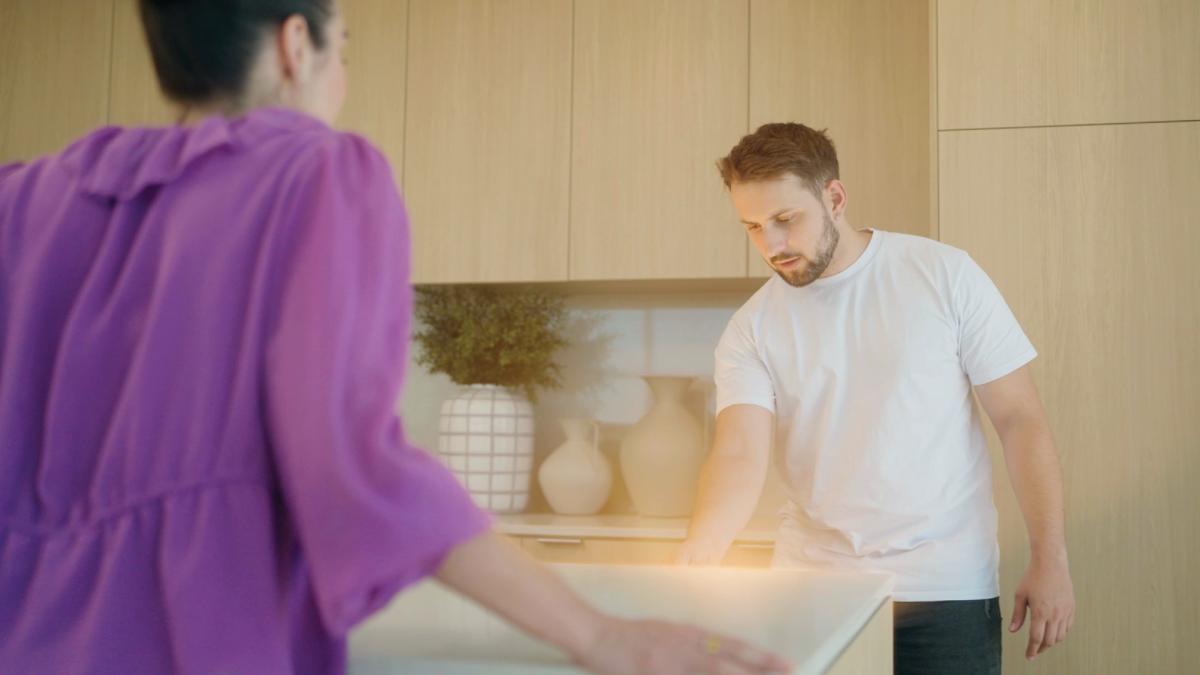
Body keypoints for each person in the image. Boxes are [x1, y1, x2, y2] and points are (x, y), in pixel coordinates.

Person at [0, 2, 792, 674]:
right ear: (294, 45)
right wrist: (601, 632)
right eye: (343, 49)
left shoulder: (25, 199)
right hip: (202, 637)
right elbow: (350, 464)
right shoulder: (314, 174)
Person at [673, 123, 1076, 674]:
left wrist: (1050, 555)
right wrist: (701, 549)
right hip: (809, 593)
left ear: (834, 198)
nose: (771, 246)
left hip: (946, 590)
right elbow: (740, 454)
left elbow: (1019, 418)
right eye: (753, 227)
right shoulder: (752, 329)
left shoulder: (943, 275)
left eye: (786, 220)